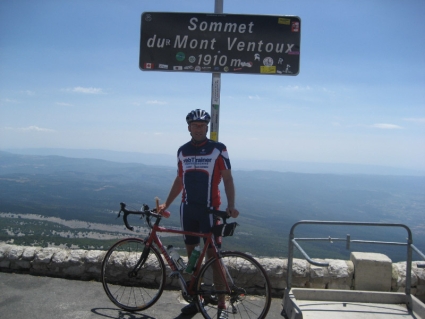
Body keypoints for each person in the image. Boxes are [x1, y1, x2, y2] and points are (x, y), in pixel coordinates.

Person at [159, 109, 239, 317]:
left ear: (207, 128)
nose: (199, 129)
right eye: (195, 125)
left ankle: (222, 304)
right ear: (189, 128)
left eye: (203, 125)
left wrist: (231, 205)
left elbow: (228, 179)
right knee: (192, 255)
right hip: (188, 210)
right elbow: (179, 180)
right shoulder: (182, 151)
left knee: (213, 257)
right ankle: (198, 299)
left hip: (210, 211)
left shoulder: (218, 149)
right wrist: (166, 204)